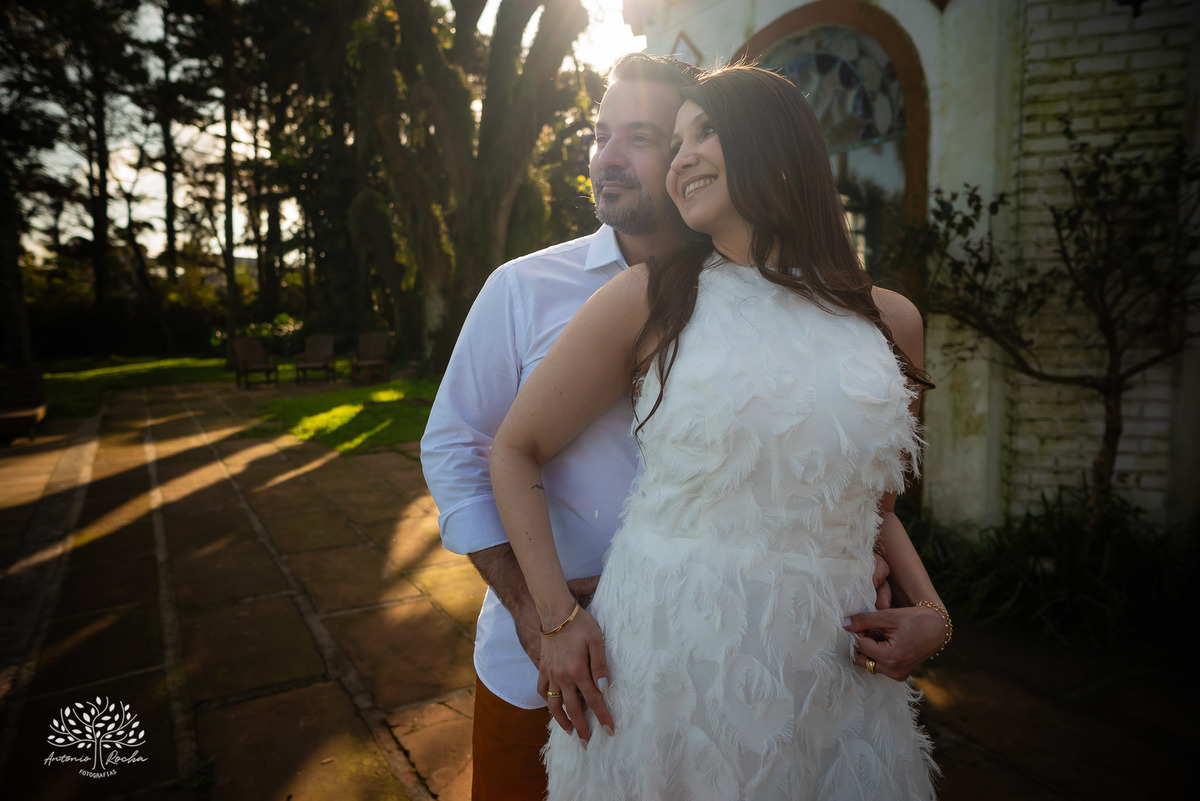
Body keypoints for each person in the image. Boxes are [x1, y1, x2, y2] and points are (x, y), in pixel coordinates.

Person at [490, 64, 949, 799]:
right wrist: (555, 618)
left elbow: (874, 509)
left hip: (825, 668)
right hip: (666, 662)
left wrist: (931, 612)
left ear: (776, 147)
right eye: (675, 142)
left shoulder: (891, 321)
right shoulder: (651, 297)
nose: (681, 158)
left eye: (705, 132)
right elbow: (514, 450)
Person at [421, 53, 703, 800]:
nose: (606, 157)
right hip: (540, 671)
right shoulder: (524, 287)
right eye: (600, 133)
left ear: (694, 153)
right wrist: (533, 611)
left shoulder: (742, 297)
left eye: (637, 136)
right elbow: (455, 448)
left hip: (701, 660)